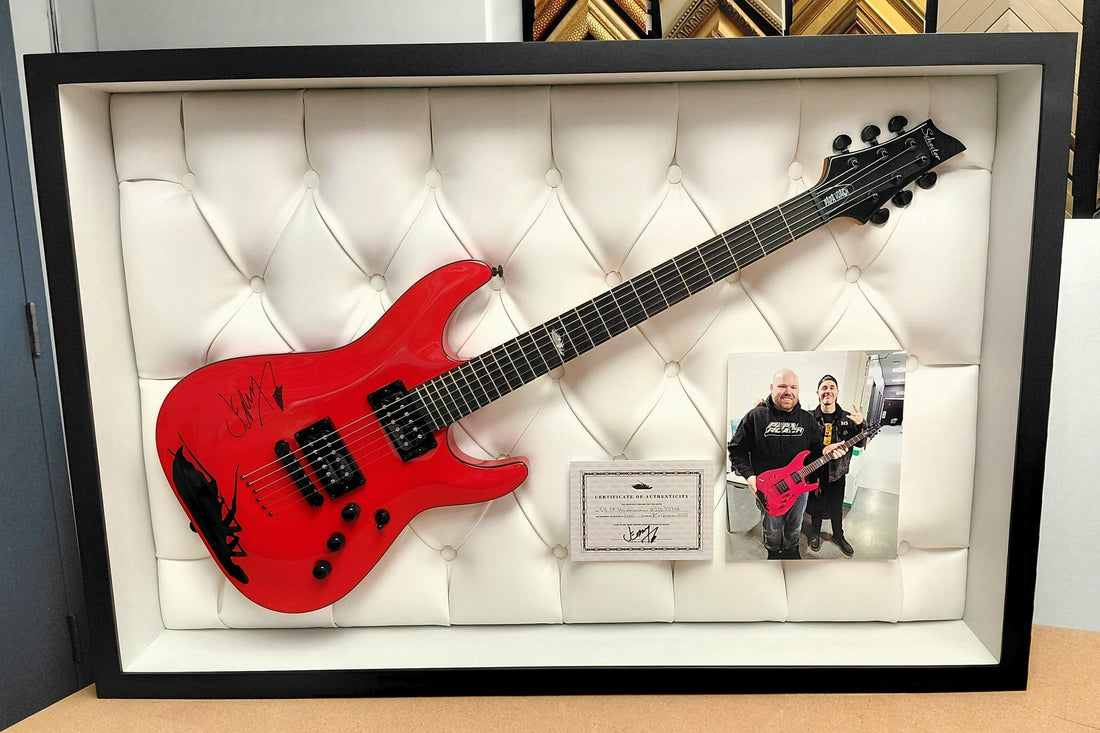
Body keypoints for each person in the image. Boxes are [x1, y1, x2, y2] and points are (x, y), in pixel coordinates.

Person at [728, 369, 847, 560]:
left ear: (799, 390)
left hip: (799, 488)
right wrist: (750, 477)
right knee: (772, 528)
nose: (788, 391)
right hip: (770, 489)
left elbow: (816, 447)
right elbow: (736, 449)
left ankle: (792, 550)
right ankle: (773, 553)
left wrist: (825, 450)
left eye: (793, 387)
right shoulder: (755, 416)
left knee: (795, 524)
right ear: (772, 388)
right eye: (782, 386)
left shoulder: (807, 420)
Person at [806, 374, 866, 556]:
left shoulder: (848, 418)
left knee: (836, 506)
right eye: (824, 388)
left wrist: (861, 425)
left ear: (837, 392)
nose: (828, 391)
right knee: (816, 506)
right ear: (818, 392)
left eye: (832, 387)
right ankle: (814, 533)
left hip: (838, 473)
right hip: (816, 472)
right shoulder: (808, 418)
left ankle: (838, 535)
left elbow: (861, 443)